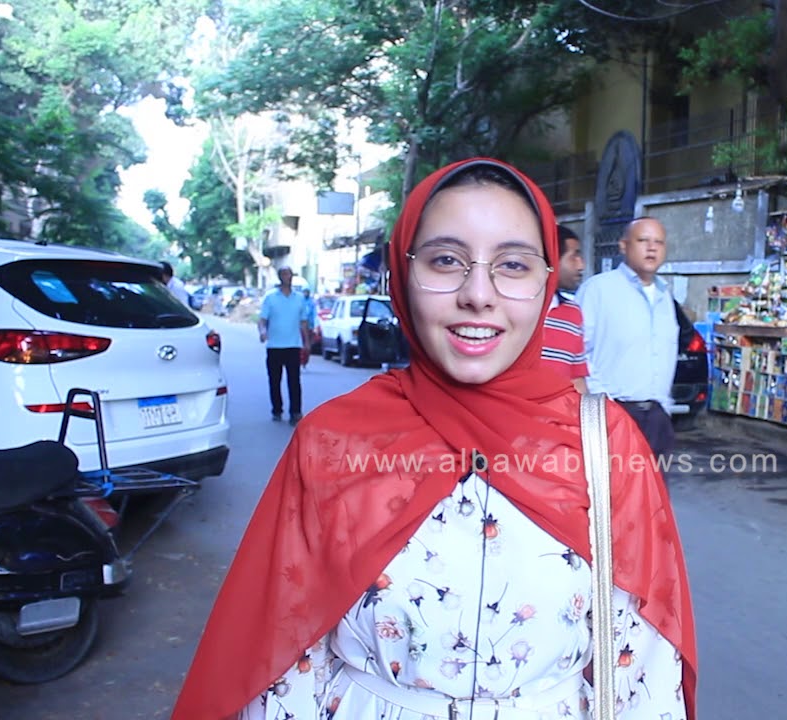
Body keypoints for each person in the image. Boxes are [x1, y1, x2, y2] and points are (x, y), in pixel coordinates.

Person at [172, 158, 697, 720]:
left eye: (513, 265)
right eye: (446, 260)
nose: (478, 294)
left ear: (545, 282)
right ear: (402, 274)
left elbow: (642, 666)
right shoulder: (334, 441)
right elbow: (285, 660)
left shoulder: (605, 442)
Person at [576, 216, 678, 458]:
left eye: (659, 242)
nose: (652, 248)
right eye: (643, 240)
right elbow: (577, 350)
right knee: (614, 491)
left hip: (657, 416)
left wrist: (664, 406)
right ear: (624, 246)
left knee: (654, 492)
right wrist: (603, 402)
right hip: (612, 412)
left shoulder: (665, 295)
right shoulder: (598, 290)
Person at [258, 267, 312, 425]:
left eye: (289, 274)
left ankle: (295, 412)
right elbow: (262, 320)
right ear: (279, 277)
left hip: (293, 345)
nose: (286, 277)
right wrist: (262, 332)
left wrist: (307, 342)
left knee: (294, 381)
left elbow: (303, 322)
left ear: (292, 277)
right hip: (274, 346)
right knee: (275, 380)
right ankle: (277, 410)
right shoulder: (270, 298)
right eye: (283, 274)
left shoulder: (299, 298)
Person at [540, 224, 590, 393]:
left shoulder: (572, 314)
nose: (581, 265)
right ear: (552, 258)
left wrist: (588, 418)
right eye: (574, 256)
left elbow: (577, 380)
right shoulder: (513, 308)